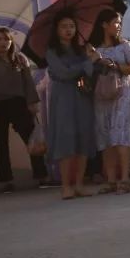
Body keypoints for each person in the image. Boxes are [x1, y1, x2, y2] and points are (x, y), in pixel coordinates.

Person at [0, 28, 49, 192]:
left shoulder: (20, 59)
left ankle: (41, 176)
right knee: (2, 144)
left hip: (20, 105)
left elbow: (29, 83)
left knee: (32, 141)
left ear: (11, 42)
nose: (3, 43)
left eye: (6, 39)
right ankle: (6, 180)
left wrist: (32, 103)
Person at [45, 11, 99, 200]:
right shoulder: (51, 51)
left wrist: (91, 58)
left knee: (83, 138)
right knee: (66, 140)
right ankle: (66, 186)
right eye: (64, 26)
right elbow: (64, 73)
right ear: (57, 30)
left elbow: (91, 73)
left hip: (82, 97)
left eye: (71, 26)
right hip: (64, 98)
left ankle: (79, 184)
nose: (68, 30)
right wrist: (86, 64)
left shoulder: (82, 50)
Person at [88, 9, 130, 195]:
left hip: (122, 94)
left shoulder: (125, 46)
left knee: (121, 135)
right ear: (104, 24)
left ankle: (124, 179)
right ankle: (110, 180)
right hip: (100, 96)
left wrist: (114, 65)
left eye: (119, 23)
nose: (118, 26)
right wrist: (92, 60)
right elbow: (87, 74)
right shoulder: (94, 49)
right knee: (106, 137)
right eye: (115, 22)